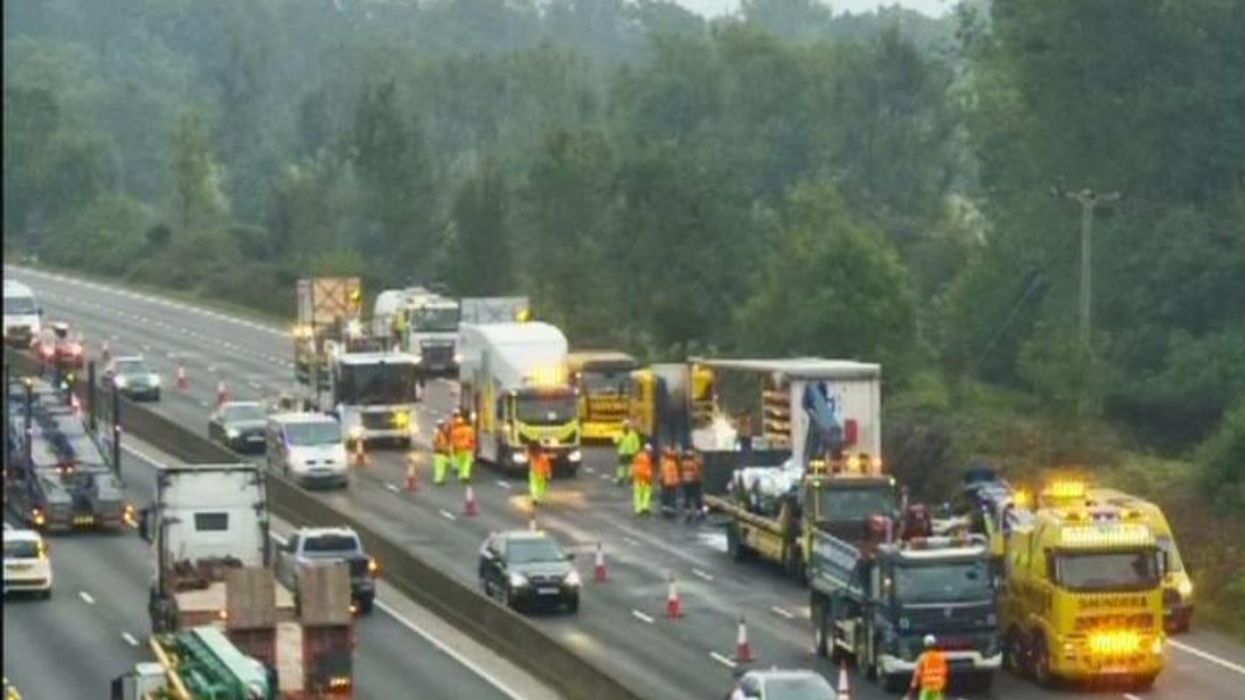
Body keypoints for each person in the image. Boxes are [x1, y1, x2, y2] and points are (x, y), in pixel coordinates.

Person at [907, 634, 948, 700]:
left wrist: (912, 688)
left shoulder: (922, 657)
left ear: (925, 645)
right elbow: (944, 672)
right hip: (938, 687)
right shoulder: (941, 657)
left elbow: (917, 674)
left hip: (927, 686)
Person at [680, 448, 704, 523]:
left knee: (687, 498)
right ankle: (698, 513)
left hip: (686, 482)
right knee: (697, 497)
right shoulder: (695, 462)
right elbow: (701, 465)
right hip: (695, 482)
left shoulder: (683, 463)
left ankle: (688, 513)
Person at [450, 411, 476, 483]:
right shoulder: (469, 429)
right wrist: (473, 448)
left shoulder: (454, 431)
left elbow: (453, 441)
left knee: (460, 463)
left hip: (458, 449)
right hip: (467, 448)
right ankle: (465, 475)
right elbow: (472, 439)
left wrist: (454, 450)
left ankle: (461, 476)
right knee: (467, 463)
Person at [614, 419, 641, 486]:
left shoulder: (633, 434)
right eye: (625, 425)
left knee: (630, 466)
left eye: (627, 425)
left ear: (629, 426)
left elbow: (636, 443)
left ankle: (630, 478)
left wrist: (636, 451)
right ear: (622, 426)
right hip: (622, 452)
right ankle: (621, 479)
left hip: (630, 453)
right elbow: (615, 441)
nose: (626, 427)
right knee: (621, 467)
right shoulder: (619, 433)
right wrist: (618, 440)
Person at [631, 444, 654, 517]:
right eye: (650, 451)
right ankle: (644, 508)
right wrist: (650, 478)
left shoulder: (638, 456)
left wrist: (633, 476)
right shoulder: (647, 458)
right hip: (644, 479)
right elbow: (647, 470)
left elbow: (634, 467)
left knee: (638, 495)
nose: (650, 453)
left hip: (638, 479)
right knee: (645, 494)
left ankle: (639, 509)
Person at [659, 446, 681, 518]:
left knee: (666, 497)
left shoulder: (664, 461)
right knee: (671, 497)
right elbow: (675, 474)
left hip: (666, 482)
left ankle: (665, 511)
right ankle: (670, 512)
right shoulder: (673, 463)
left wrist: (661, 479)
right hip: (672, 483)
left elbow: (662, 472)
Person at [432, 419, 451, 485]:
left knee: (442, 467)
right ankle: (438, 480)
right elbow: (435, 442)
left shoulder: (442, 432)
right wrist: (438, 448)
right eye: (442, 425)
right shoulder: (437, 433)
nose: (443, 426)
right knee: (440, 467)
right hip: (439, 452)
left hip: (442, 452)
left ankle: (440, 479)